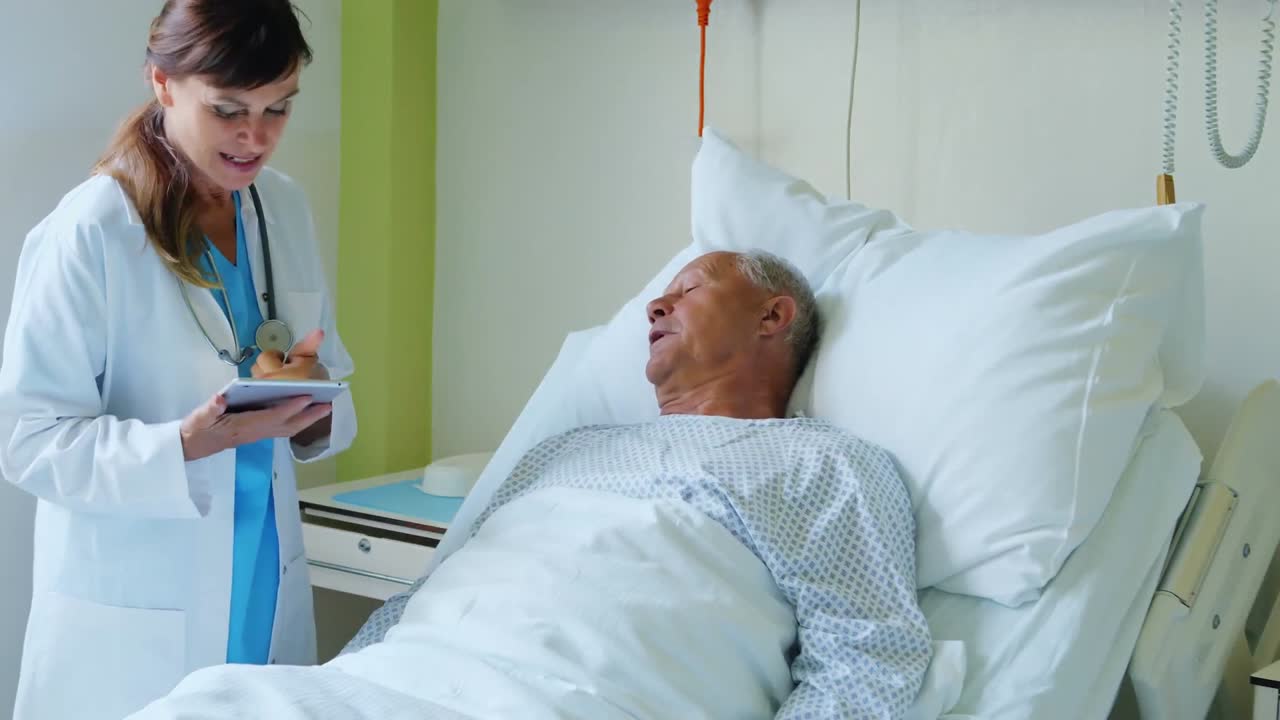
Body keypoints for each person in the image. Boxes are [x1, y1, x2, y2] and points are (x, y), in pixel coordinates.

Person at [130, 250, 929, 719]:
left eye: (688, 289)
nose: (657, 301)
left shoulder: (826, 465)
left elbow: (868, 658)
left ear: (771, 317)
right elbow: (426, 600)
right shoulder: (567, 450)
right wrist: (346, 683)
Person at [0, 2, 356, 718]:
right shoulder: (91, 229)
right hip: (139, 609)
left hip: (261, 573)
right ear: (162, 84)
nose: (256, 137)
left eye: (278, 109)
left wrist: (313, 409)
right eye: (228, 110)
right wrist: (184, 444)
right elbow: (27, 439)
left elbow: (325, 367)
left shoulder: (281, 207)